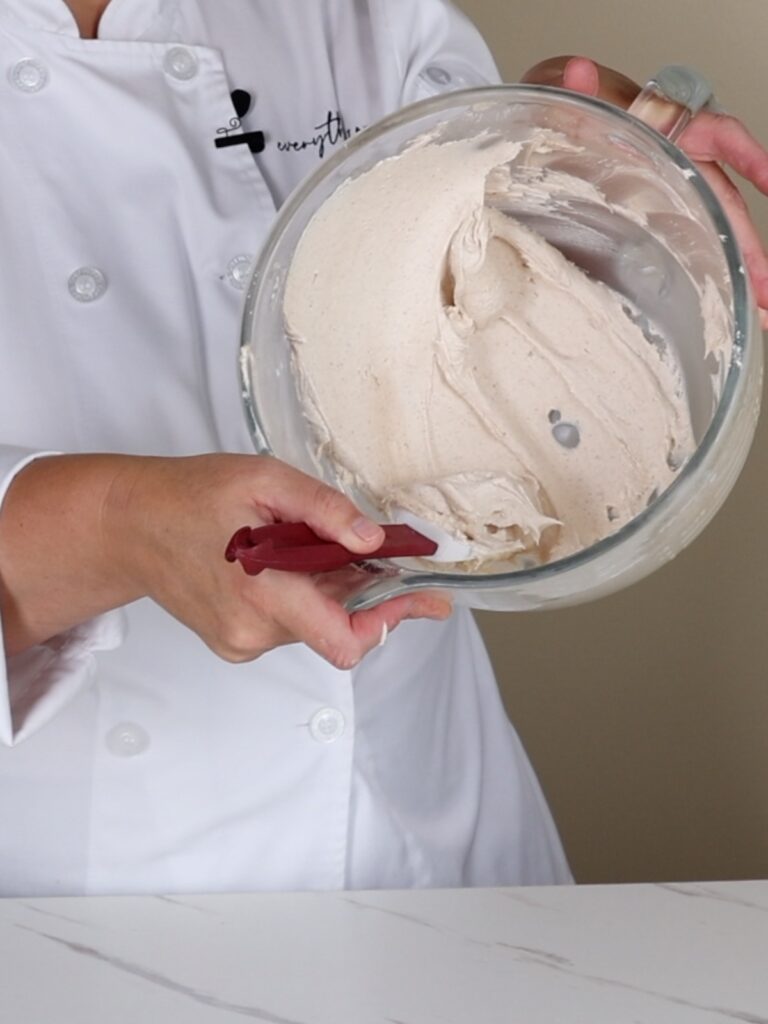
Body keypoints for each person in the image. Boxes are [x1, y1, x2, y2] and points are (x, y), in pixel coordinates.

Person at [0, 0, 765, 897]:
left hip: (450, 857)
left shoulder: (353, 12)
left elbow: (486, 252)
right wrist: (117, 527)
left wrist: (575, 143)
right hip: (101, 907)